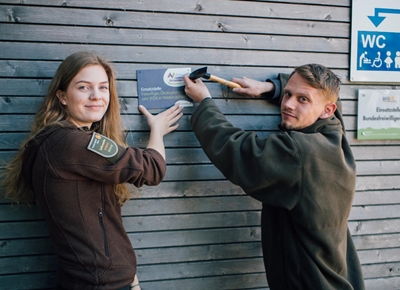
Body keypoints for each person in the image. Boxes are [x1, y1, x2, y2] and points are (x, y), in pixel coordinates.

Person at [1, 51, 183, 290]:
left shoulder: (55, 141)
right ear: (62, 96)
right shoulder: (73, 144)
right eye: (84, 87)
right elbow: (151, 169)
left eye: (103, 88)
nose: (96, 96)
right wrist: (157, 131)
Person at [183, 64, 365, 290]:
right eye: (288, 94)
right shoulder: (334, 132)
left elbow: (237, 150)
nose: (287, 104)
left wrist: (204, 103)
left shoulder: (299, 152)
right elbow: (332, 101)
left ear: (327, 109)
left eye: (302, 100)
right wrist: (269, 88)